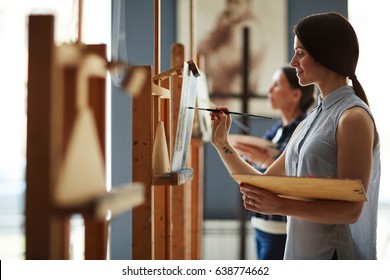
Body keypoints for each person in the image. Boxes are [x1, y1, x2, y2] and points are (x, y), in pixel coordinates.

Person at [209, 12, 381, 260]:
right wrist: (221, 143)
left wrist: (280, 206)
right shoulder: (312, 119)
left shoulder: (352, 117)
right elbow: (262, 182)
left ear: (325, 53)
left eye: (300, 53)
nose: (292, 62)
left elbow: (351, 210)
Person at [229, 66, 315, 259]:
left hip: (280, 228)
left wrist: (265, 160)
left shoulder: (303, 130)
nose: (269, 91)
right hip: (261, 224)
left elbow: (297, 177)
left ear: (295, 95)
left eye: (276, 85)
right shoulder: (278, 129)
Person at [198, 0, 264, 106]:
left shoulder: (247, 27)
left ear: (247, 5)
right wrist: (218, 32)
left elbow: (215, 65)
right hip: (221, 97)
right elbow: (200, 50)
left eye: (237, 4)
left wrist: (217, 34)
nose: (231, 8)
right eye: (229, 3)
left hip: (234, 99)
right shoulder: (226, 25)